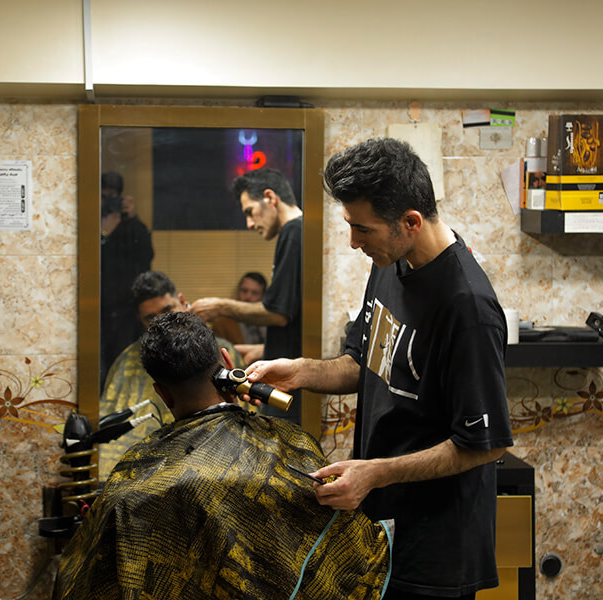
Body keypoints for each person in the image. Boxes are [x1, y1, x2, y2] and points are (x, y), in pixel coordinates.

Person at [245, 138, 514, 599]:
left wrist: (375, 473)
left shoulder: (467, 308)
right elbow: (362, 363)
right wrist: (300, 372)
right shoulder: (391, 260)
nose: (354, 243)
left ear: (410, 222)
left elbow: (484, 446)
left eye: (362, 230)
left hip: (438, 550)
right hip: (383, 528)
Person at [55, 312, 391, 600]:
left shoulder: (133, 488)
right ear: (229, 363)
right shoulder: (296, 447)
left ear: (162, 394)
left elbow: (81, 582)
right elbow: (355, 559)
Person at [97, 270, 243, 478]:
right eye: (150, 317)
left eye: (168, 310)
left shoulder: (219, 351)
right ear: (140, 320)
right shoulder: (127, 362)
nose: (161, 322)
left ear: (182, 302)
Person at [190, 168, 304, 423]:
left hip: (288, 383)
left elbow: (279, 314)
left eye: (250, 212)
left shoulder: (293, 232)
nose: (250, 224)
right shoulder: (296, 232)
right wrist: (263, 349)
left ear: (270, 198)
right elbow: (294, 316)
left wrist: (220, 307)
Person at [99, 171, 154, 390]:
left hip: (126, 314)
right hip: (98, 312)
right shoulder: (91, 222)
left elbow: (147, 257)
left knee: (124, 369)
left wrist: (133, 218)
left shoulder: (131, 226)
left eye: (112, 197)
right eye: (104, 197)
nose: (108, 202)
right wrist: (104, 233)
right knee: (99, 371)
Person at [212, 271, 268, 359]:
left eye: (254, 293)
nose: (248, 297)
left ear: (263, 297)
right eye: (244, 291)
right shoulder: (223, 324)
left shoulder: (271, 323)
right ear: (238, 292)